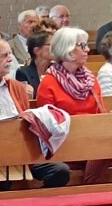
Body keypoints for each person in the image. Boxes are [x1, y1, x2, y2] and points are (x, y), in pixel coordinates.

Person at [0, 38, 69, 187]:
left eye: (10, 54)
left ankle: (32, 201)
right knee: (1, 178)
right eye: (4, 55)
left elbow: (28, 123)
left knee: (60, 171)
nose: (10, 59)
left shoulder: (18, 88)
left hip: (21, 151)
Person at [37, 27, 111, 185]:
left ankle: (91, 186)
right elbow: (49, 127)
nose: (88, 49)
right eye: (82, 46)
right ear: (68, 50)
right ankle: (90, 187)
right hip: (66, 145)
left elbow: (101, 117)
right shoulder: (49, 83)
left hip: (94, 142)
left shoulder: (90, 80)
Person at [15, 29, 54, 97]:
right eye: (51, 45)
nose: (55, 48)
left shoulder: (56, 70)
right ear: (37, 51)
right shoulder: (23, 73)